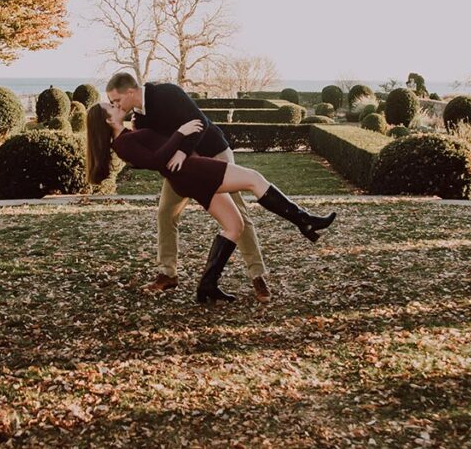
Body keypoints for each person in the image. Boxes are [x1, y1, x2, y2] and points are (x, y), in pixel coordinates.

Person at [85, 100, 337, 304]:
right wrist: (180, 133)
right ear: (108, 120)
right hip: (192, 170)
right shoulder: (122, 143)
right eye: (112, 107)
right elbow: (155, 160)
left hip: (187, 177)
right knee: (254, 179)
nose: (117, 105)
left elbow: (148, 152)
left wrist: (143, 123)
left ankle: (207, 286)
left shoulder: (127, 135)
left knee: (234, 226)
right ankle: (303, 220)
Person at [104, 73, 272, 301]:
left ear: (130, 92)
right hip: (183, 170)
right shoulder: (140, 120)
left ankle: (257, 275)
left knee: (239, 214)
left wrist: (183, 151)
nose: (116, 105)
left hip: (214, 155)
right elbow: (157, 150)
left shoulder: (166, 93)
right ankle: (167, 274)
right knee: (166, 213)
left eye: (117, 100)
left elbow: (199, 123)